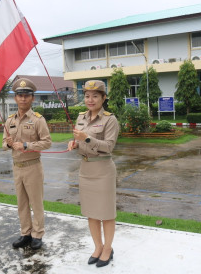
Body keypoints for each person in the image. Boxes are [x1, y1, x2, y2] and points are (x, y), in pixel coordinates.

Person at [67, 80, 120, 268]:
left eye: (95, 96)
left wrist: (86, 138)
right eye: (87, 96)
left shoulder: (109, 119)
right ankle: (97, 247)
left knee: (106, 213)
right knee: (91, 213)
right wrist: (74, 144)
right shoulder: (81, 117)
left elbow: (109, 147)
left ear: (103, 98)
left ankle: (108, 248)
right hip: (85, 169)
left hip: (103, 170)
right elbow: (79, 140)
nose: (90, 99)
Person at [2, 78, 51, 250]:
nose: (23, 98)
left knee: (36, 202)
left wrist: (26, 145)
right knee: (21, 203)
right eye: (20, 95)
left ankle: (38, 234)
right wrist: (8, 143)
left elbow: (47, 142)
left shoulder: (38, 120)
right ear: (15, 98)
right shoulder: (10, 121)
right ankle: (26, 233)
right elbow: (3, 144)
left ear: (32, 98)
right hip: (17, 167)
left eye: (26, 96)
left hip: (33, 166)